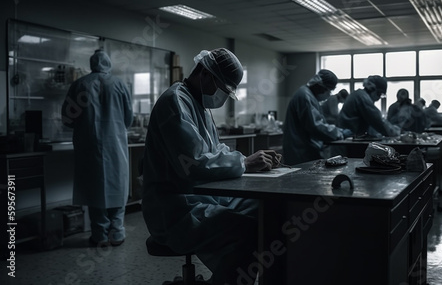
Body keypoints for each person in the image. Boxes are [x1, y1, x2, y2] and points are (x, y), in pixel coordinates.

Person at [141, 48, 281, 285]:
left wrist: (249, 160)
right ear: (205, 73)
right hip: (175, 209)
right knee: (247, 231)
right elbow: (194, 165)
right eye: (223, 89)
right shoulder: (175, 102)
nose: (223, 96)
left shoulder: (200, 106)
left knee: (266, 209)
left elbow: (215, 152)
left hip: (202, 198)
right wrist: (244, 163)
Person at [61, 49, 133, 247]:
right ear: (108, 63)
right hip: (115, 144)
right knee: (118, 187)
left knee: (95, 190)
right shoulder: (119, 84)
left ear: (92, 63)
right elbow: (128, 118)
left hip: (89, 146)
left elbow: (67, 118)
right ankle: (117, 233)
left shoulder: (79, 84)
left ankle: (99, 234)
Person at [282, 70, 350, 165]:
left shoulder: (309, 96)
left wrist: (335, 130)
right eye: (328, 90)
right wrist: (338, 133)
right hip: (301, 151)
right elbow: (315, 126)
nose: (329, 94)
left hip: (303, 148)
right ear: (320, 86)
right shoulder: (305, 96)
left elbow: (318, 121)